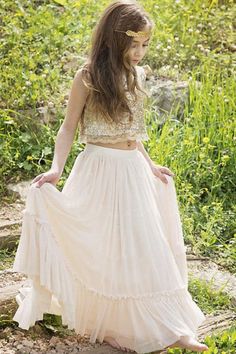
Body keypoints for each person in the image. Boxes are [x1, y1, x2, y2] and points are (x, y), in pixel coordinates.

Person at [12, 1, 209, 353]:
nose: (139, 52)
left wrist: (150, 165)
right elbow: (68, 127)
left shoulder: (139, 75)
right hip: (99, 167)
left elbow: (133, 130)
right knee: (103, 246)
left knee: (144, 245)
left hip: (132, 167)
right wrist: (57, 168)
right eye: (134, 44)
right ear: (114, 40)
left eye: (145, 45)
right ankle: (115, 327)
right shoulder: (88, 75)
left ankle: (174, 328)